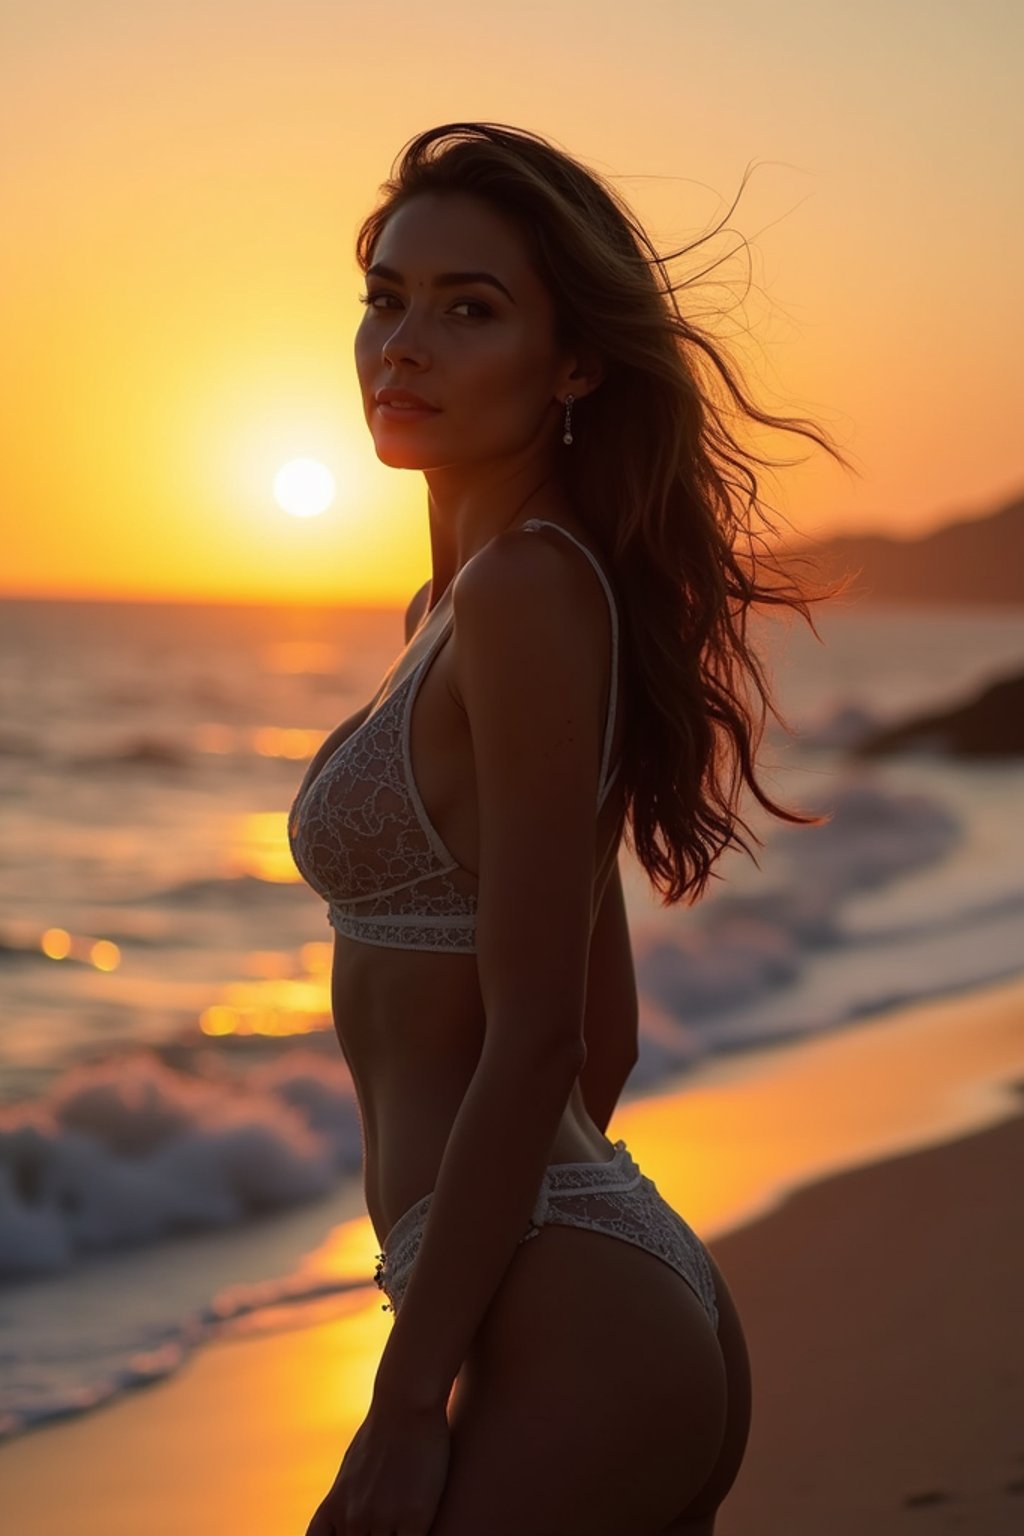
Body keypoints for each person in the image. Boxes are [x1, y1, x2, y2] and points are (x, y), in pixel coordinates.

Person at [292, 122, 846, 1536]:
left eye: (469, 310)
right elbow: (606, 1033)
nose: (403, 346)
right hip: (578, 1296)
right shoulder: (468, 606)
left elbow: (542, 1035)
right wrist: (501, 1312)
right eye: (388, 299)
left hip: (576, 1322)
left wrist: (419, 1394)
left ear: (577, 362)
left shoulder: (525, 596)